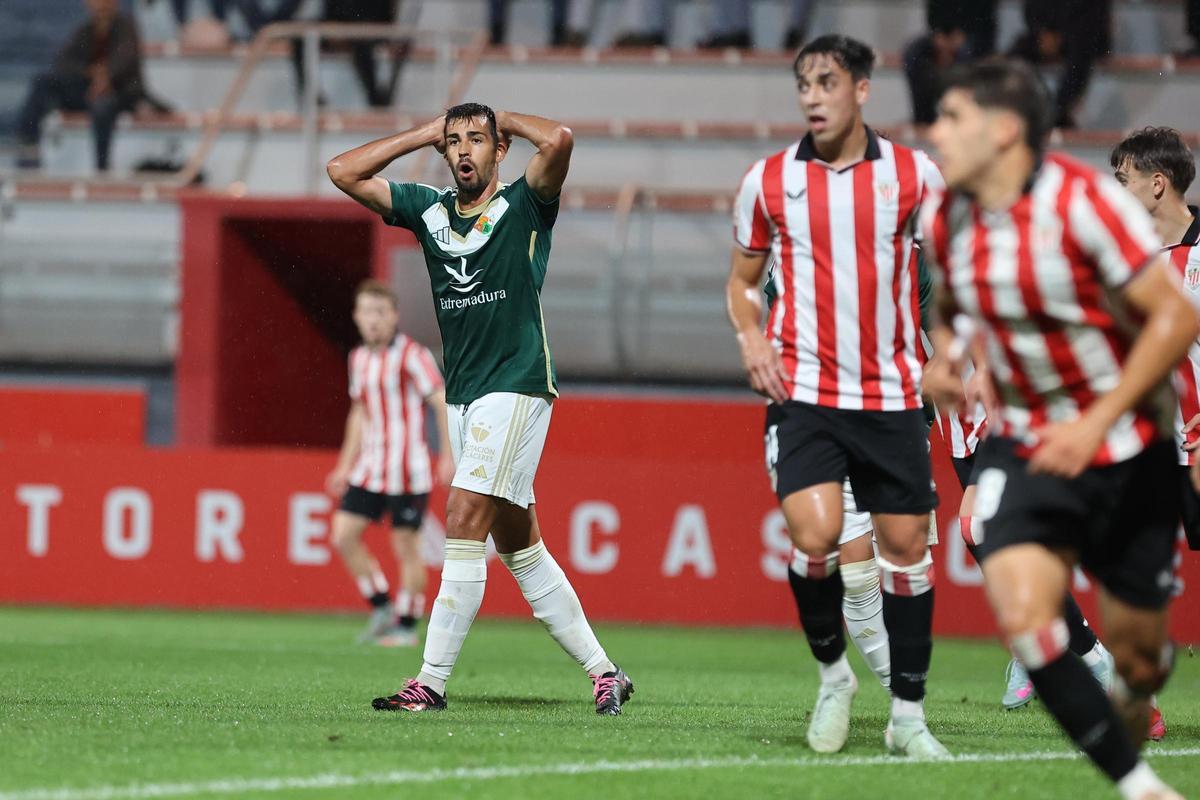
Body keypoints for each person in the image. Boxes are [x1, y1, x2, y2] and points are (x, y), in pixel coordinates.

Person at [922, 58, 1197, 800]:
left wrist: (1099, 420)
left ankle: (1134, 684)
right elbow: (950, 303)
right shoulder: (949, 213)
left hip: (1125, 441)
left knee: (1142, 655)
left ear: (1004, 130)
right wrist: (947, 360)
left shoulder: (1084, 205)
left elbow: (1176, 319)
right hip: (1025, 437)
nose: (935, 131)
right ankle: (1140, 786)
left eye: (952, 117)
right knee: (1007, 576)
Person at [326, 103, 633, 715]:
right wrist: (422, 133)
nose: (465, 151)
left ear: (499, 151)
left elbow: (562, 138)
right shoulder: (430, 210)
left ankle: (430, 680)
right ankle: (606, 672)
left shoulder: (524, 205)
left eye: (478, 141)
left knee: (463, 513)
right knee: (521, 547)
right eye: (456, 143)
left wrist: (507, 124)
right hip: (465, 395)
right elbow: (342, 171)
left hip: (517, 383)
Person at [726, 34, 947, 757]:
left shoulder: (915, 176)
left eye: (826, 83)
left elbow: (952, 276)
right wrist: (753, 340)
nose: (813, 97)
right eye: (803, 86)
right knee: (815, 540)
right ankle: (833, 676)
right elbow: (741, 282)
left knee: (906, 554)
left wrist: (952, 352)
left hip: (891, 396)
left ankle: (908, 719)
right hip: (807, 392)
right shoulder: (769, 180)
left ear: (861, 88)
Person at [324, 280, 455, 647]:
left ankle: (407, 627)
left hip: (408, 471)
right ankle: (382, 605)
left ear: (394, 316)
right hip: (370, 468)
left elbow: (439, 401)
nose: (374, 320)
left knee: (405, 547)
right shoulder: (358, 358)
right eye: (367, 312)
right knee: (342, 536)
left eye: (381, 312)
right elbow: (359, 411)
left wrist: (446, 455)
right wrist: (343, 465)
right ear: (356, 317)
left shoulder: (412, 355)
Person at [16, 0, 144, 172]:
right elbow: (64, 61)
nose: (99, 5)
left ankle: (102, 166)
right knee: (44, 82)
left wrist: (105, 77)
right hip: (89, 90)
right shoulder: (86, 30)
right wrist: (90, 73)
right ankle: (29, 141)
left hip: (120, 92)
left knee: (102, 107)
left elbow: (125, 59)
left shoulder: (126, 27)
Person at [1007, 0, 1111, 129]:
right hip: (1047, 33)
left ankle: (1058, 112)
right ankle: (1018, 106)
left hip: (1084, 35)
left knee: (1081, 51)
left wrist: (1061, 35)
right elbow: (1031, 8)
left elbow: (1095, 14)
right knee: (1016, 54)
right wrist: (1044, 30)